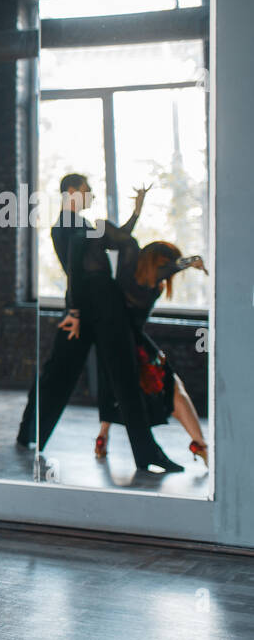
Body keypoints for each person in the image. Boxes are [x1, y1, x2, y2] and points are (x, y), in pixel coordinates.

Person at [16, 175, 180, 472]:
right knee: (58, 373)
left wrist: (138, 210)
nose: (91, 195)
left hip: (105, 306)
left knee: (125, 378)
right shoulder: (65, 230)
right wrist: (75, 312)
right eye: (87, 190)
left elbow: (122, 238)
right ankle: (29, 433)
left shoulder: (88, 227)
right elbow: (75, 272)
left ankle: (147, 454)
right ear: (71, 192)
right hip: (87, 306)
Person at [93, 228, 209, 465]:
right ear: (161, 263)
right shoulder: (150, 283)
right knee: (174, 389)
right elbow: (168, 268)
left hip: (110, 342)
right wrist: (189, 262)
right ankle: (201, 446)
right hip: (136, 345)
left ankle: (102, 436)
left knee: (116, 391)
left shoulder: (127, 275)